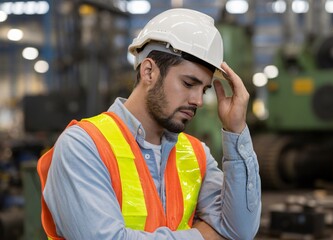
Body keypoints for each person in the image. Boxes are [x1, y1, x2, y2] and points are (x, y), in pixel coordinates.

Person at [37, 8, 261, 240]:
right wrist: (203, 236)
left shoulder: (196, 155)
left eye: (203, 89)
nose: (199, 101)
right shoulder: (84, 146)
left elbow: (240, 230)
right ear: (149, 71)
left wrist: (236, 130)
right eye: (188, 83)